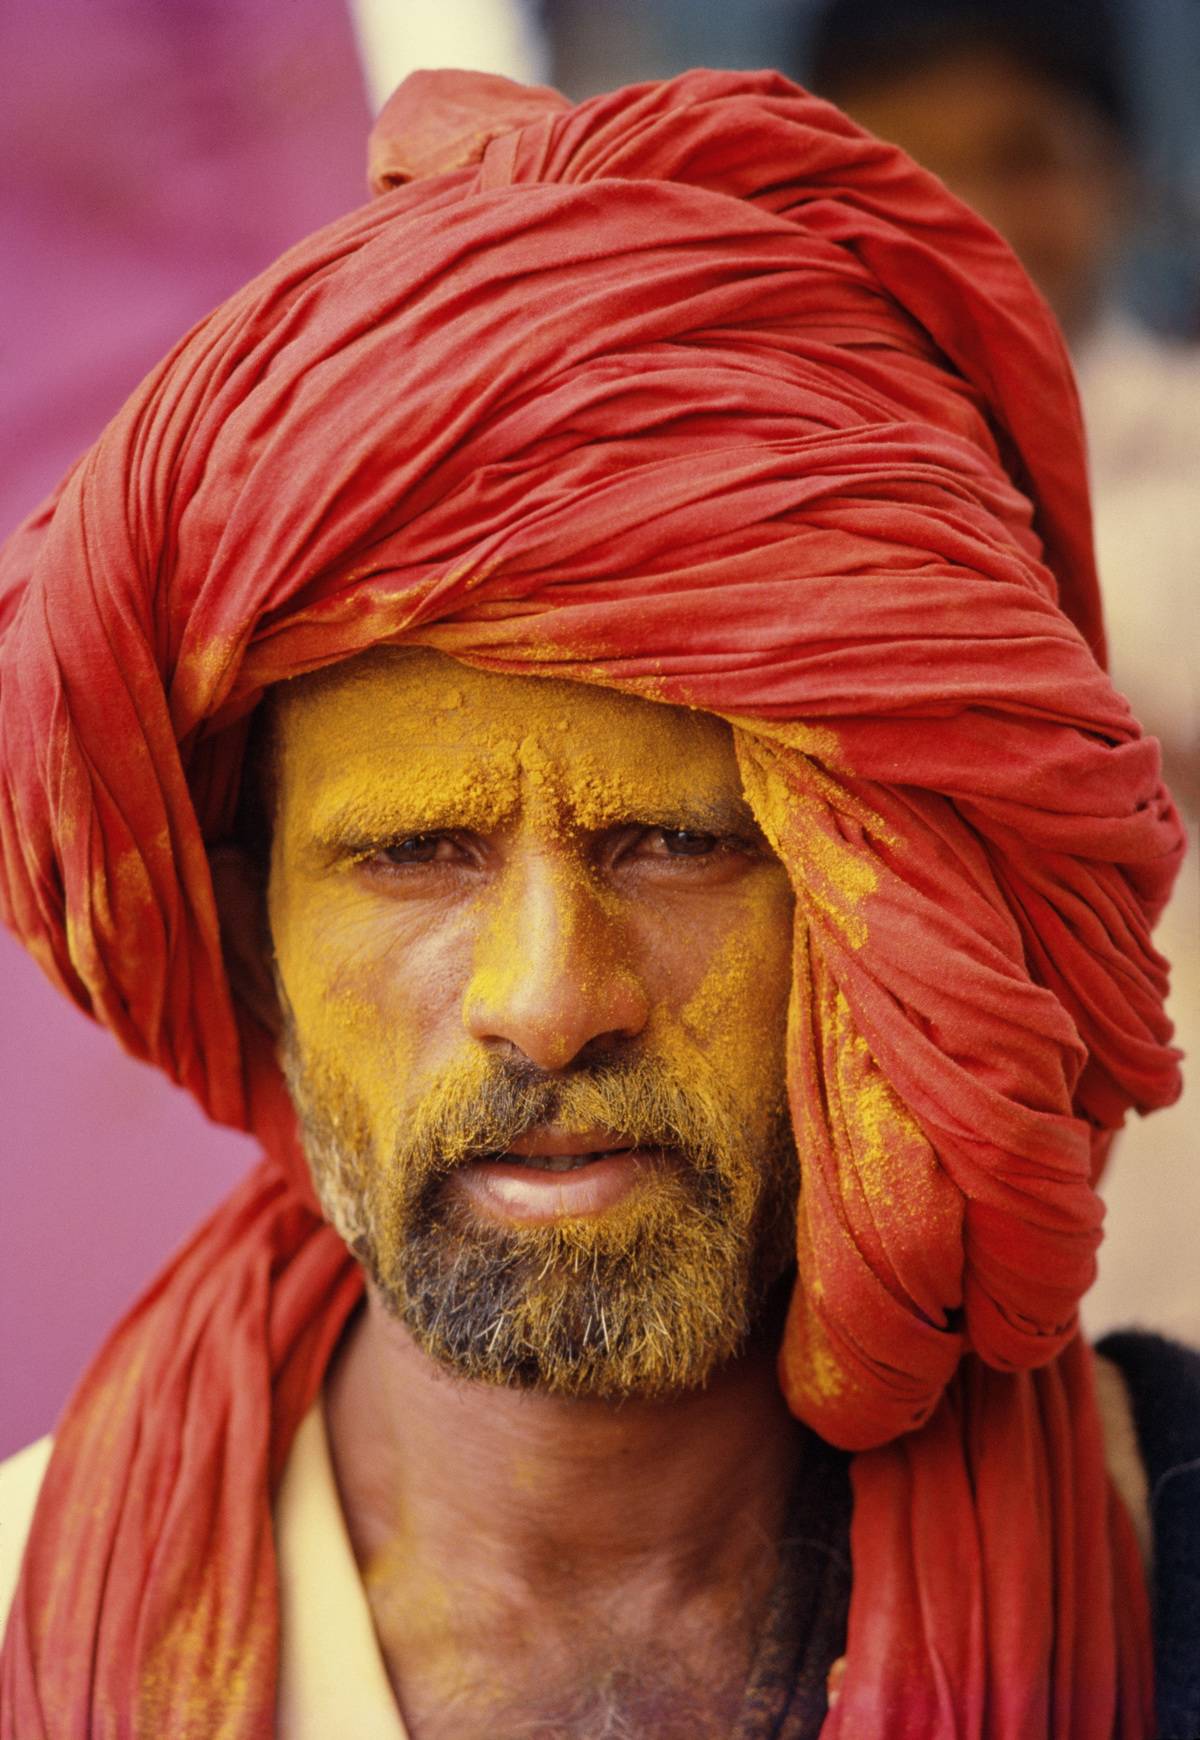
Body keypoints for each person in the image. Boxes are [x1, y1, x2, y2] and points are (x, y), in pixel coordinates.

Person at [0, 67, 1196, 1738]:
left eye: (676, 844)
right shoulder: (22, 1614)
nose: (551, 1000)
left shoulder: (1167, 1565)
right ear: (251, 944)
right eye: (414, 857)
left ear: (888, 913)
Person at [805, 0, 1200, 1343]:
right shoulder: (763, 500)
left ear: (1124, 178)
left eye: (1022, 154)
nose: (965, 214)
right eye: (905, 169)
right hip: (900, 1308)